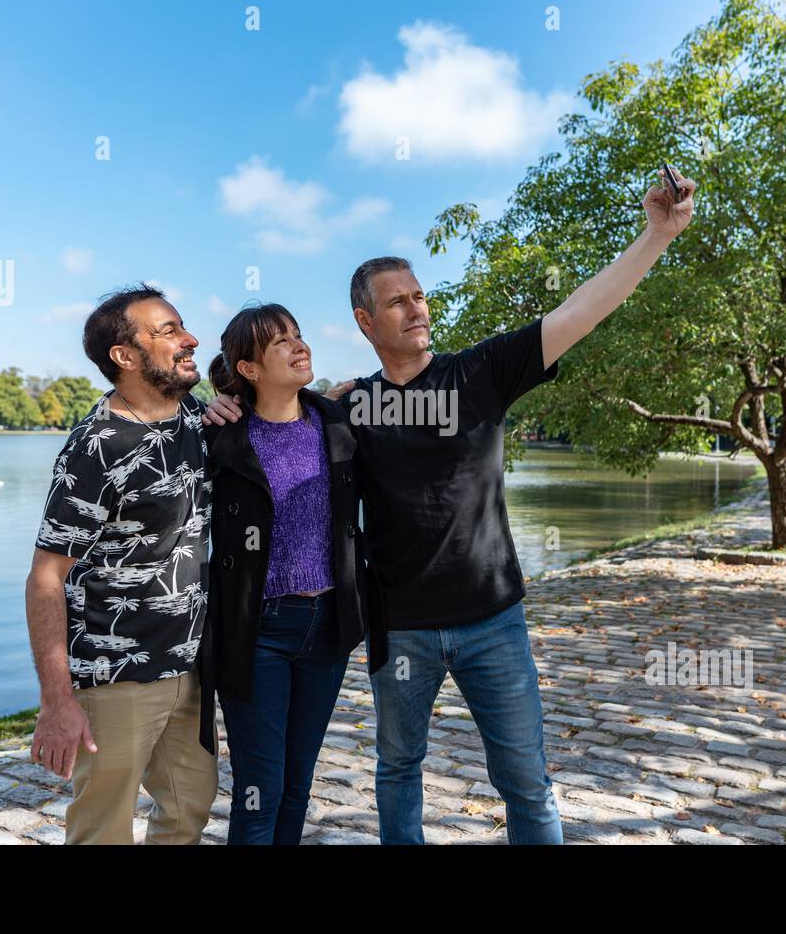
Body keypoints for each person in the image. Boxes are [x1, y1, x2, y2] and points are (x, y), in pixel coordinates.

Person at [207, 167, 696, 844]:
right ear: (365, 320)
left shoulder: (482, 371)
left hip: (493, 620)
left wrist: (655, 237)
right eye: (399, 301)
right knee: (398, 771)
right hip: (398, 628)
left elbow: (583, 310)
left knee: (527, 780)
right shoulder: (347, 407)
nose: (418, 308)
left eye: (420, 295)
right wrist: (219, 407)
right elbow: (273, 421)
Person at [25, 284, 218, 845]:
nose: (189, 339)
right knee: (103, 828)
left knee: (189, 808)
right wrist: (57, 702)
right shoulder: (96, 447)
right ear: (125, 356)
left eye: (182, 326)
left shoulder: (195, 418)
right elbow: (45, 577)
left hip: (189, 665)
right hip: (114, 675)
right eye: (168, 332)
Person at [201, 303, 366, 844]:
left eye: (299, 336)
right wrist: (209, 406)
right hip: (258, 632)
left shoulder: (335, 420)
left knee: (299, 785)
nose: (300, 347)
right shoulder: (221, 438)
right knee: (260, 791)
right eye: (281, 343)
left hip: (328, 626)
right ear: (248, 369)